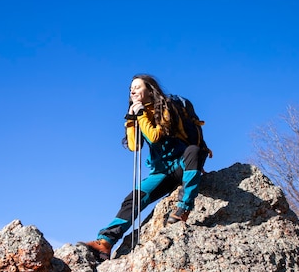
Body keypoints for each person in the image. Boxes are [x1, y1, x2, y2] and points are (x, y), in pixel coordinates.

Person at [84, 74, 212, 261]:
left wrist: (142, 114)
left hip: (182, 163)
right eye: (131, 88)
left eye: (137, 87)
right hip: (161, 171)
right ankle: (105, 243)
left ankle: (183, 208)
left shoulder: (166, 108)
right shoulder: (138, 113)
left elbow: (155, 136)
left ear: (150, 90)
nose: (132, 90)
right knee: (133, 199)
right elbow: (134, 146)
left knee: (193, 151)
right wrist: (131, 121)